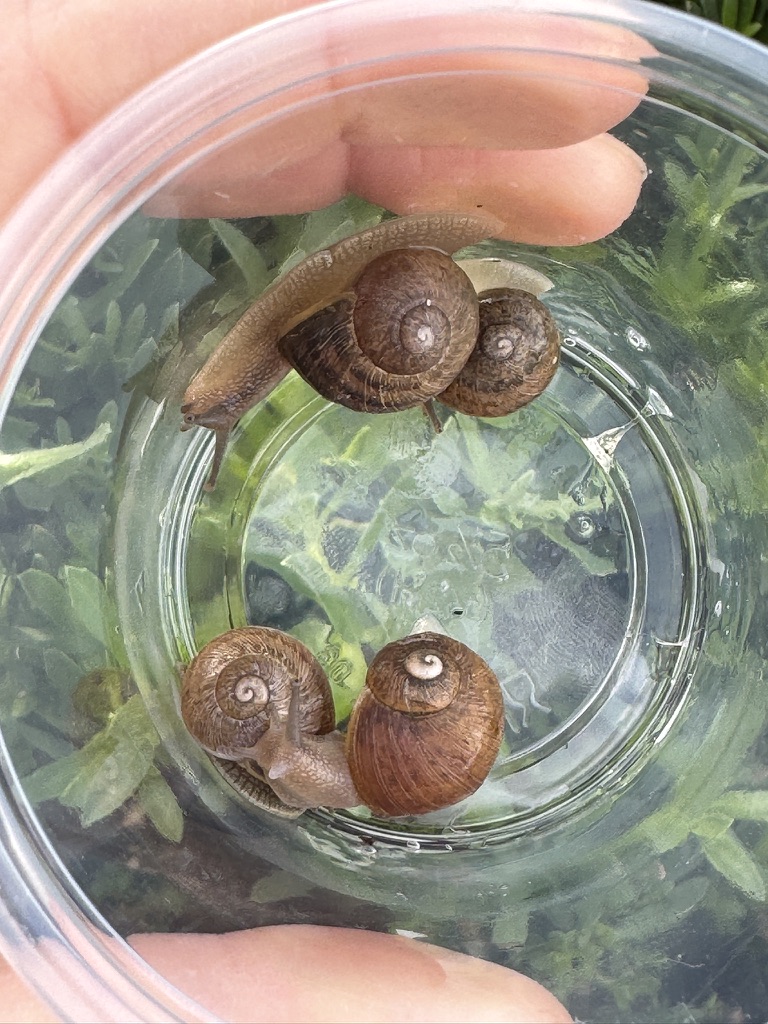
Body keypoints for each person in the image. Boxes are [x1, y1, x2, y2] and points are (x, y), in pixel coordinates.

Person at [0, 2, 653, 1020]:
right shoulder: (386, 320)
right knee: (272, 351)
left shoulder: (425, 315)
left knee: (319, 329)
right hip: (396, 320)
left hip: (407, 320)